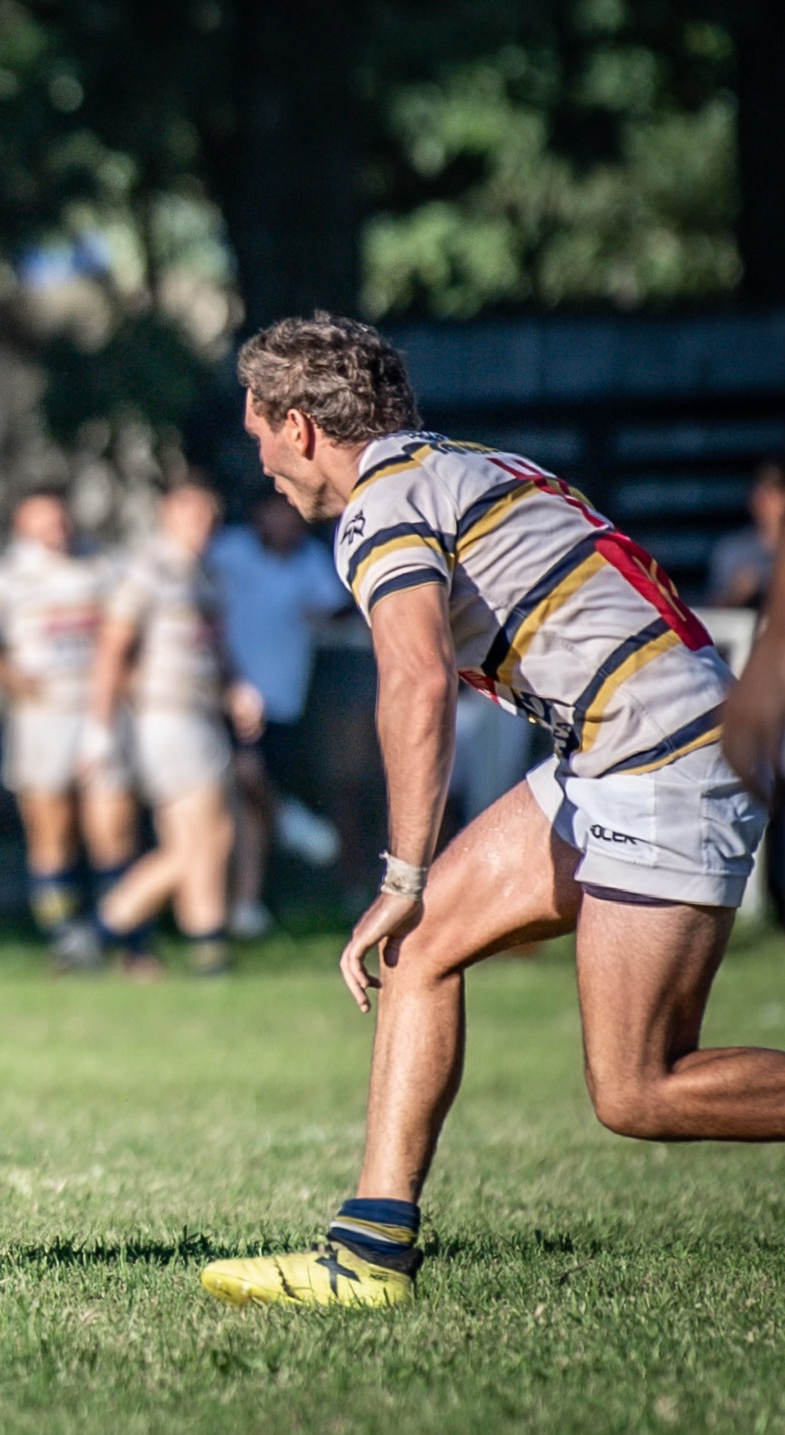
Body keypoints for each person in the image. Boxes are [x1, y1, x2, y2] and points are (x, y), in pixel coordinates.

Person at [201, 313, 776, 1309]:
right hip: (621, 745)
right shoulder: (453, 464)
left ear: (297, 428)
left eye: (256, 432)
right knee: (419, 949)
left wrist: (398, 872)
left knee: (637, 1088)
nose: (259, 460)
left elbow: (415, 683)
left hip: (662, 759)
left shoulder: (377, 507)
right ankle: (368, 1257)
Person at [0, 489, 134, 971]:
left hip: (99, 712)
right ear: (23, 530)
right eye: (43, 524)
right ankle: (65, 944)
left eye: (61, 521)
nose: (56, 532)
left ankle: (127, 944)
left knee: (113, 829)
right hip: (42, 719)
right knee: (53, 833)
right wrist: (9, 676)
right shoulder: (7, 577)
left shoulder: (104, 567)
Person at [90, 478, 262, 977]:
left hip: (200, 713)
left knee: (194, 838)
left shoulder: (205, 573)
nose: (202, 528)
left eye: (209, 518)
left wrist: (235, 689)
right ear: (168, 515)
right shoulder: (149, 571)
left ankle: (206, 946)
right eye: (191, 516)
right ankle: (109, 924)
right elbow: (111, 652)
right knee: (212, 833)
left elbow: (212, 649)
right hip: (167, 717)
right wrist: (101, 728)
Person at [207, 490, 347, 936]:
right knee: (243, 781)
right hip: (225, 695)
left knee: (247, 807)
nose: (286, 526)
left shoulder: (311, 563)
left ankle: (245, 904)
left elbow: (335, 611)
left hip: (283, 701)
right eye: (276, 515)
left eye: (293, 518)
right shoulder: (229, 553)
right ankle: (288, 819)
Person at [704, 455, 785, 608]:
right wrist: (736, 593)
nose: (763, 499)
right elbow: (712, 612)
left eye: (772, 491)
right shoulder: (731, 550)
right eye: (758, 490)